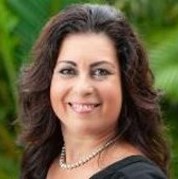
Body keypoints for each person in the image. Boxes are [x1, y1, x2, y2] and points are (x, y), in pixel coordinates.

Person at [18, 3, 170, 179]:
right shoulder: (41, 161)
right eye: (67, 71)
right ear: (48, 80)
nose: (83, 88)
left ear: (126, 83)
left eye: (100, 72)